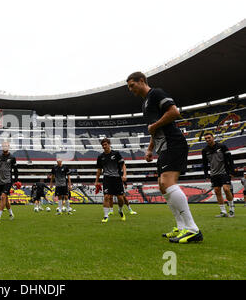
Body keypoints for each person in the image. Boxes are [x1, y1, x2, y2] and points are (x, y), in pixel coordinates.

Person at [127, 71, 202, 244]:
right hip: (163, 147)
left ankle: (192, 229)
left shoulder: (156, 93)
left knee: (168, 182)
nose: (130, 89)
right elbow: (154, 130)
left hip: (173, 142)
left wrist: (155, 125)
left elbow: (174, 112)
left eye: (132, 85)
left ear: (142, 81)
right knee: (162, 186)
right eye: (129, 87)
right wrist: (150, 149)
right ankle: (181, 227)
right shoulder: (145, 103)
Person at [202, 133, 235, 217]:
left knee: (226, 189)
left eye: (209, 138)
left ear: (213, 137)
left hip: (224, 172)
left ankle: (231, 209)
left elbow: (230, 159)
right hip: (213, 174)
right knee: (217, 191)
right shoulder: (205, 150)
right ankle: (223, 212)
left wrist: (232, 172)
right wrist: (206, 174)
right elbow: (205, 164)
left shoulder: (222, 146)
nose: (207, 140)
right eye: (205, 138)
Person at [95, 138, 127, 223]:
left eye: (105, 144)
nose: (104, 146)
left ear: (109, 144)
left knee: (120, 198)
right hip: (107, 179)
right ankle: (105, 216)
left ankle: (120, 210)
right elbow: (99, 170)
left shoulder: (116, 154)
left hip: (117, 178)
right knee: (106, 197)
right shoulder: (100, 157)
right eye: (103, 145)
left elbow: (123, 165)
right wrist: (96, 181)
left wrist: (124, 174)